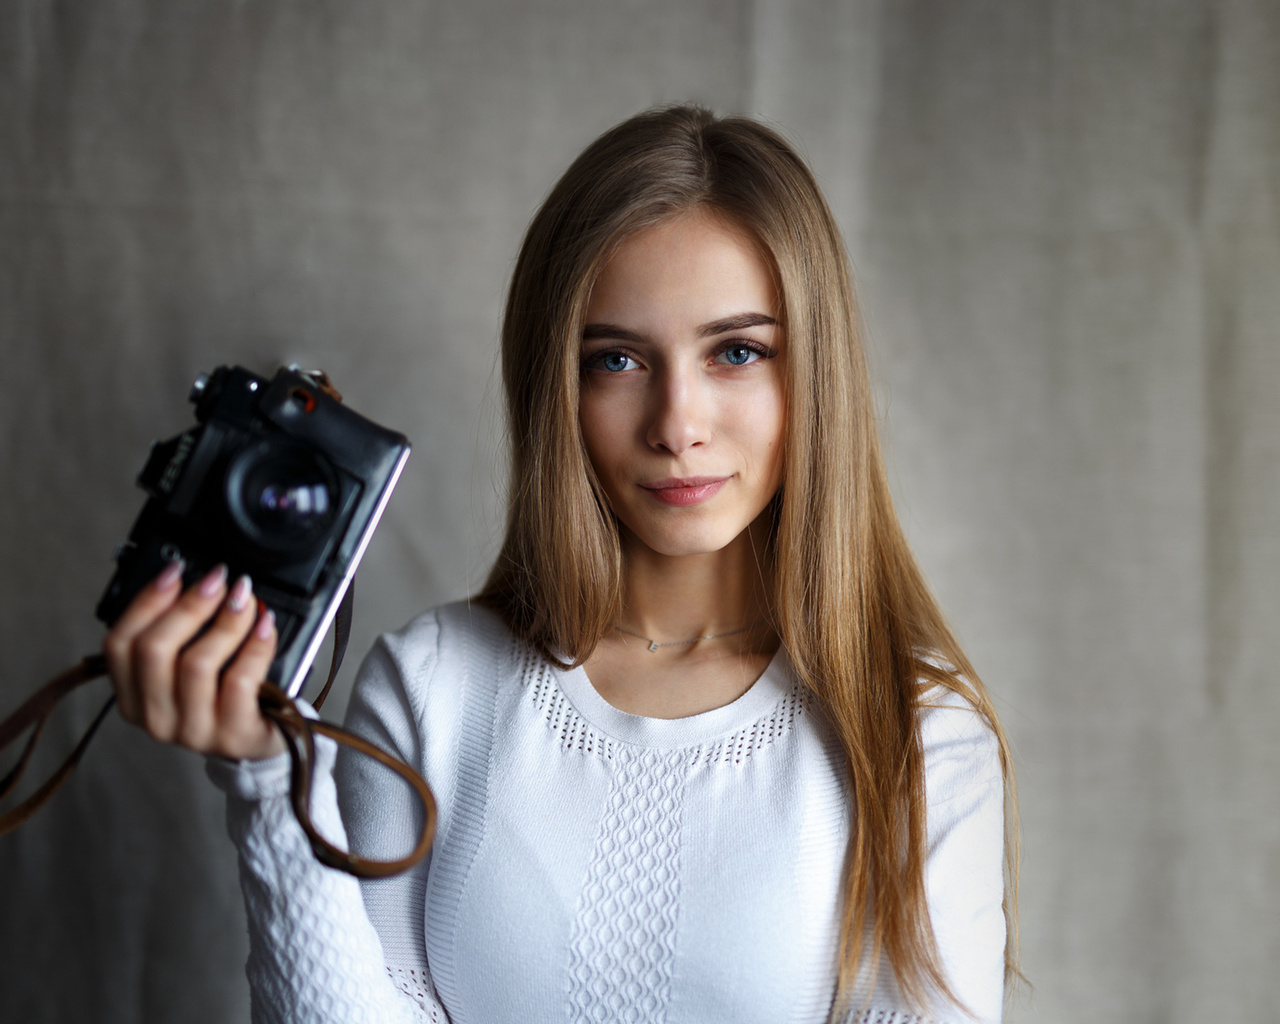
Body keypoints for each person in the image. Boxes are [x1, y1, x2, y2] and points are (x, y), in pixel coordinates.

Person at [103, 105, 1017, 1024]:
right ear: (555, 388)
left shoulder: (915, 735)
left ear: (814, 373)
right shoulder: (430, 688)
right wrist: (267, 778)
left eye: (737, 352)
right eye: (617, 360)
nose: (677, 424)